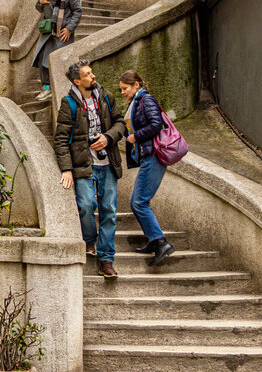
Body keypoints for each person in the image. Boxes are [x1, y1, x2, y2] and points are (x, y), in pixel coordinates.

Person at [53, 60, 126, 279]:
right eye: (87, 74)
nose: (93, 76)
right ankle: (88, 239)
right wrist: (66, 169)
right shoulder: (69, 103)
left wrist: (108, 137)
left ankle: (106, 259)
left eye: (91, 72)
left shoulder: (106, 97)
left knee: (109, 212)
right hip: (83, 164)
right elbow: (61, 139)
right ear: (77, 81)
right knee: (85, 205)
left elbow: (120, 123)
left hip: (107, 163)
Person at [119, 70, 175, 266]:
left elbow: (156, 124)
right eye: (121, 89)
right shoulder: (137, 101)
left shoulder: (146, 99)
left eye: (125, 88)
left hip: (153, 156)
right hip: (147, 157)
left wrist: (136, 136)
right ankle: (154, 240)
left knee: (139, 202)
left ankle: (160, 242)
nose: (123, 93)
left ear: (136, 85)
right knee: (137, 201)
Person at [32, 0, 81, 100]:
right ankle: (46, 88)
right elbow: (40, 8)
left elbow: (77, 11)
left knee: (60, 61)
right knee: (43, 59)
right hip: (48, 32)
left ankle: (63, 88)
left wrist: (70, 29)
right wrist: (40, 2)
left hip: (62, 33)